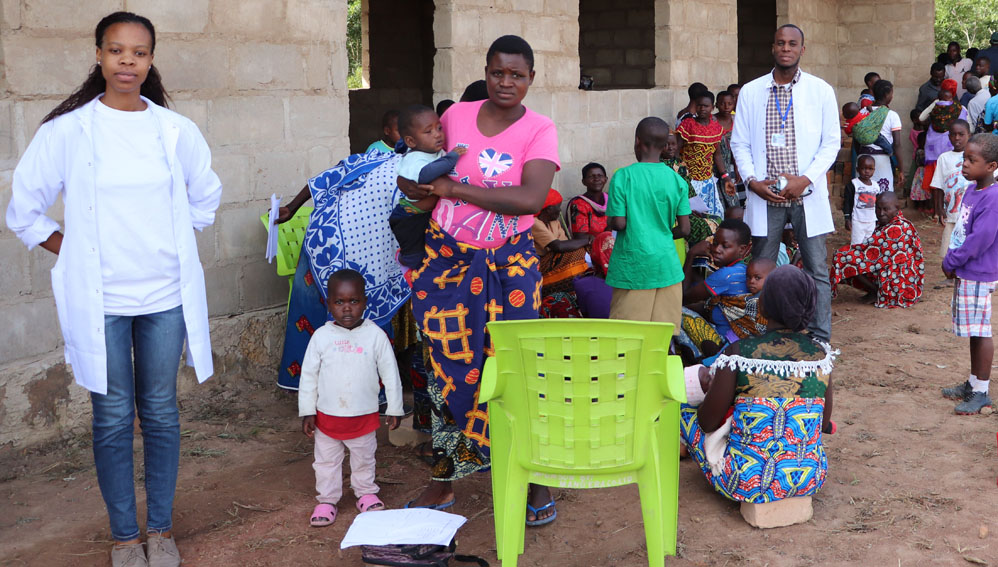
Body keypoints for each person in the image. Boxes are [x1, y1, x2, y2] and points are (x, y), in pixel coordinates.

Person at [4, 12, 222, 567]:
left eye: (140, 52)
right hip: (99, 298)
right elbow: (24, 210)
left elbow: (206, 197)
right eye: (117, 50)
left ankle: (162, 530)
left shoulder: (174, 131)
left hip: (164, 297)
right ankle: (126, 536)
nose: (128, 61)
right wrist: (71, 251)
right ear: (98, 55)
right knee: (111, 415)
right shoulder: (68, 131)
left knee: (162, 412)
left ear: (151, 60)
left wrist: (167, 240)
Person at [398, 35, 561, 525]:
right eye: (497, 72)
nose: (505, 82)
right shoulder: (456, 117)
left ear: (531, 78)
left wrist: (454, 188)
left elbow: (532, 199)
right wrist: (419, 189)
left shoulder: (540, 128)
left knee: (515, 370)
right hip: (448, 263)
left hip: (509, 268)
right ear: (485, 72)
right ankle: (443, 481)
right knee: (447, 371)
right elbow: (426, 177)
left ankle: (533, 478)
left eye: (515, 74)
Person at [680, 265, 835, 503]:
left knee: (682, 410)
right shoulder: (821, 356)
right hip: (809, 478)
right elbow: (824, 423)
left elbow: (707, 422)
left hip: (743, 483)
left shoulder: (739, 353)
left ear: (762, 305)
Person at [730, 24, 840, 343]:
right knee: (763, 268)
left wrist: (805, 179)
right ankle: (767, 334)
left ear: (802, 50)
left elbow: (831, 142)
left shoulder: (820, 90)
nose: (786, 48)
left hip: (806, 194)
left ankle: (819, 336)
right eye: (781, 43)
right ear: (773, 47)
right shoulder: (751, 91)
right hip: (765, 196)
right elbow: (740, 144)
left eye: (793, 44)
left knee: (817, 268)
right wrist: (752, 182)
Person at [299, 270, 404, 527]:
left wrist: (395, 407)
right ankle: (327, 500)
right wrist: (307, 411)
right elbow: (308, 377)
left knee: (364, 457)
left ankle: (366, 493)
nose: (347, 309)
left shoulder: (375, 336)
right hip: (327, 418)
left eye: (354, 301)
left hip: (363, 417)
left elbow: (390, 373)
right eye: (339, 302)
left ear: (365, 302)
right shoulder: (321, 337)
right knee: (326, 462)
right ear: (329, 304)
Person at [607, 116, 691, 333]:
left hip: (634, 266)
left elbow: (618, 222)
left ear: (637, 141)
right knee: (662, 338)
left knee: (627, 338)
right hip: (667, 266)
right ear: (665, 147)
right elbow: (684, 229)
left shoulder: (623, 176)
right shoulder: (677, 180)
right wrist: (660, 232)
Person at [941, 134, 998, 414]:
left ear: (991, 166)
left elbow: (980, 239)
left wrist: (953, 261)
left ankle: (982, 392)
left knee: (981, 331)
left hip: (978, 272)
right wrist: (952, 261)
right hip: (966, 270)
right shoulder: (972, 190)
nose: (964, 164)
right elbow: (961, 232)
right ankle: (973, 383)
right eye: (964, 158)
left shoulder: (992, 197)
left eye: (971, 160)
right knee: (974, 332)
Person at [390, 104, 466, 269]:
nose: (437, 134)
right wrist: (452, 157)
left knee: (426, 251)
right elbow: (426, 174)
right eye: (428, 132)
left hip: (424, 215)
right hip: (409, 217)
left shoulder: (433, 151)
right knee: (414, 257)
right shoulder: (415, 158)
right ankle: (403, 260)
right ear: (411, 141)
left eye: (439, 128)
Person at [832, 192, 924, 308]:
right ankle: (875, 291)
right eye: (878, 208)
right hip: (903, 281)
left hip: (898, 287)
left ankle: (877, 292)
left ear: (897, 208)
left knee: (843, 258)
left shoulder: (896, 228)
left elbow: (869, 252)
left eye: (886, 209)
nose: (881, 213)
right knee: (849, 258)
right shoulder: (896, 223)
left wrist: (843, 254)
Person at [683, 219, 753, 343]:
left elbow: (683, 298)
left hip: (725, 340)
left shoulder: (726, 275)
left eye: (725, 246)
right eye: (714, 243)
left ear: (742, 249)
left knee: (676, 312)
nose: (716, 249)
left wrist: (691, 254)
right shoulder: (742, 270)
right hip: (739, 338)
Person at [676, 90, 736, 217]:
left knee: (712, 214)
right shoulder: (687, 125)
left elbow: (717, 155)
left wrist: (725, 176)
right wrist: (679, 174)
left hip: (708, 180)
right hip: (689, 179)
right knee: (691, 214)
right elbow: (677, 150)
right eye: (699, 105)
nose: (702, 108)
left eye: (706, 106)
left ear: (712, 108)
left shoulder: (716, 128)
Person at [532, 189, 591, 318]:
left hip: (553, 261)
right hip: (538, 265)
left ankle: (574, 289)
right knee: (579, 253)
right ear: (547, 209)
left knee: (579, 253)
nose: (560, 211)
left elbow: (566, 246)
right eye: (557, 207)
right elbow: (558, 246)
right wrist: (587, 240)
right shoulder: (534, 223)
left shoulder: (554, 222)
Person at [919, 79, 968, 207]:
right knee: (950, 177)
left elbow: (921, 118)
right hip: (951, 148)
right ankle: (950, 207)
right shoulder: (960, 108)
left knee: (935, 180)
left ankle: (935, 210)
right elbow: (970, 127)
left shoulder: (935, 105)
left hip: (933, 150)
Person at [930, 120, 971, 260]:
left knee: (968, 245)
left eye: (961, 134)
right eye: (953, 135)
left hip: (971, 213)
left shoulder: (976, 157)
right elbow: (939, 186)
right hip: (951, 213)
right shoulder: (944, 158)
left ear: (969, 135)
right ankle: (950, 278)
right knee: (949, 247)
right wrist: (939, 209)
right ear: (949, 137)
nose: (957, 138)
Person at [858, 80, 904, 194]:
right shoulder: (892, 115)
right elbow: (897, 144)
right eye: (891, 93)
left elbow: (856, 138)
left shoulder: (862, 112)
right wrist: (901, 169)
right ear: (886, 95)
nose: (892, 96)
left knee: (864, 197)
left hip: (862, 159)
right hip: (881, 160)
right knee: (884, 197)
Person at [843, 155, 882, 245]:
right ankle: (856, 259)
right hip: (858, 221)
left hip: (871, 221)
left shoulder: (876, 186)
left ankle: (866, 259)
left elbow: (878, 203)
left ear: (874, 170)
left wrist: (879, 219)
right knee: (857, 244)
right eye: (864, 168)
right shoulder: (853, 184)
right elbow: (847, 202)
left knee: (870, 244)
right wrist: (847, 218)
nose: (867, 171)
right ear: (857, 169)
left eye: (870, 168)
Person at [566, 162, 609, 237]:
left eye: (600, 176)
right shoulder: (579, 204)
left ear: (606, 179)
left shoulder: (611, 199)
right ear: (584, 182)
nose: (596, 179)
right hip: (591, 247)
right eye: (591, 176)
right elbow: (580, 236)